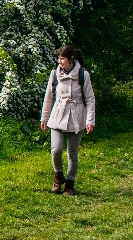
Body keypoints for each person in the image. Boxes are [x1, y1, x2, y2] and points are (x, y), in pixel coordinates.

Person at [40, 45, 96, 195]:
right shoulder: (55, 74)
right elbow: (48, 97)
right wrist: (44, 117)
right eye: (58, 59)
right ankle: (58, 177)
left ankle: (70, 184)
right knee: (56, 150)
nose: (60, 62)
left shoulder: (83, 75)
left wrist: (90, 121)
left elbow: (90, 99)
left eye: (62, 59)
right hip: (57, 114)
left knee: (72, 152)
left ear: (71, 59)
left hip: (77, 116)